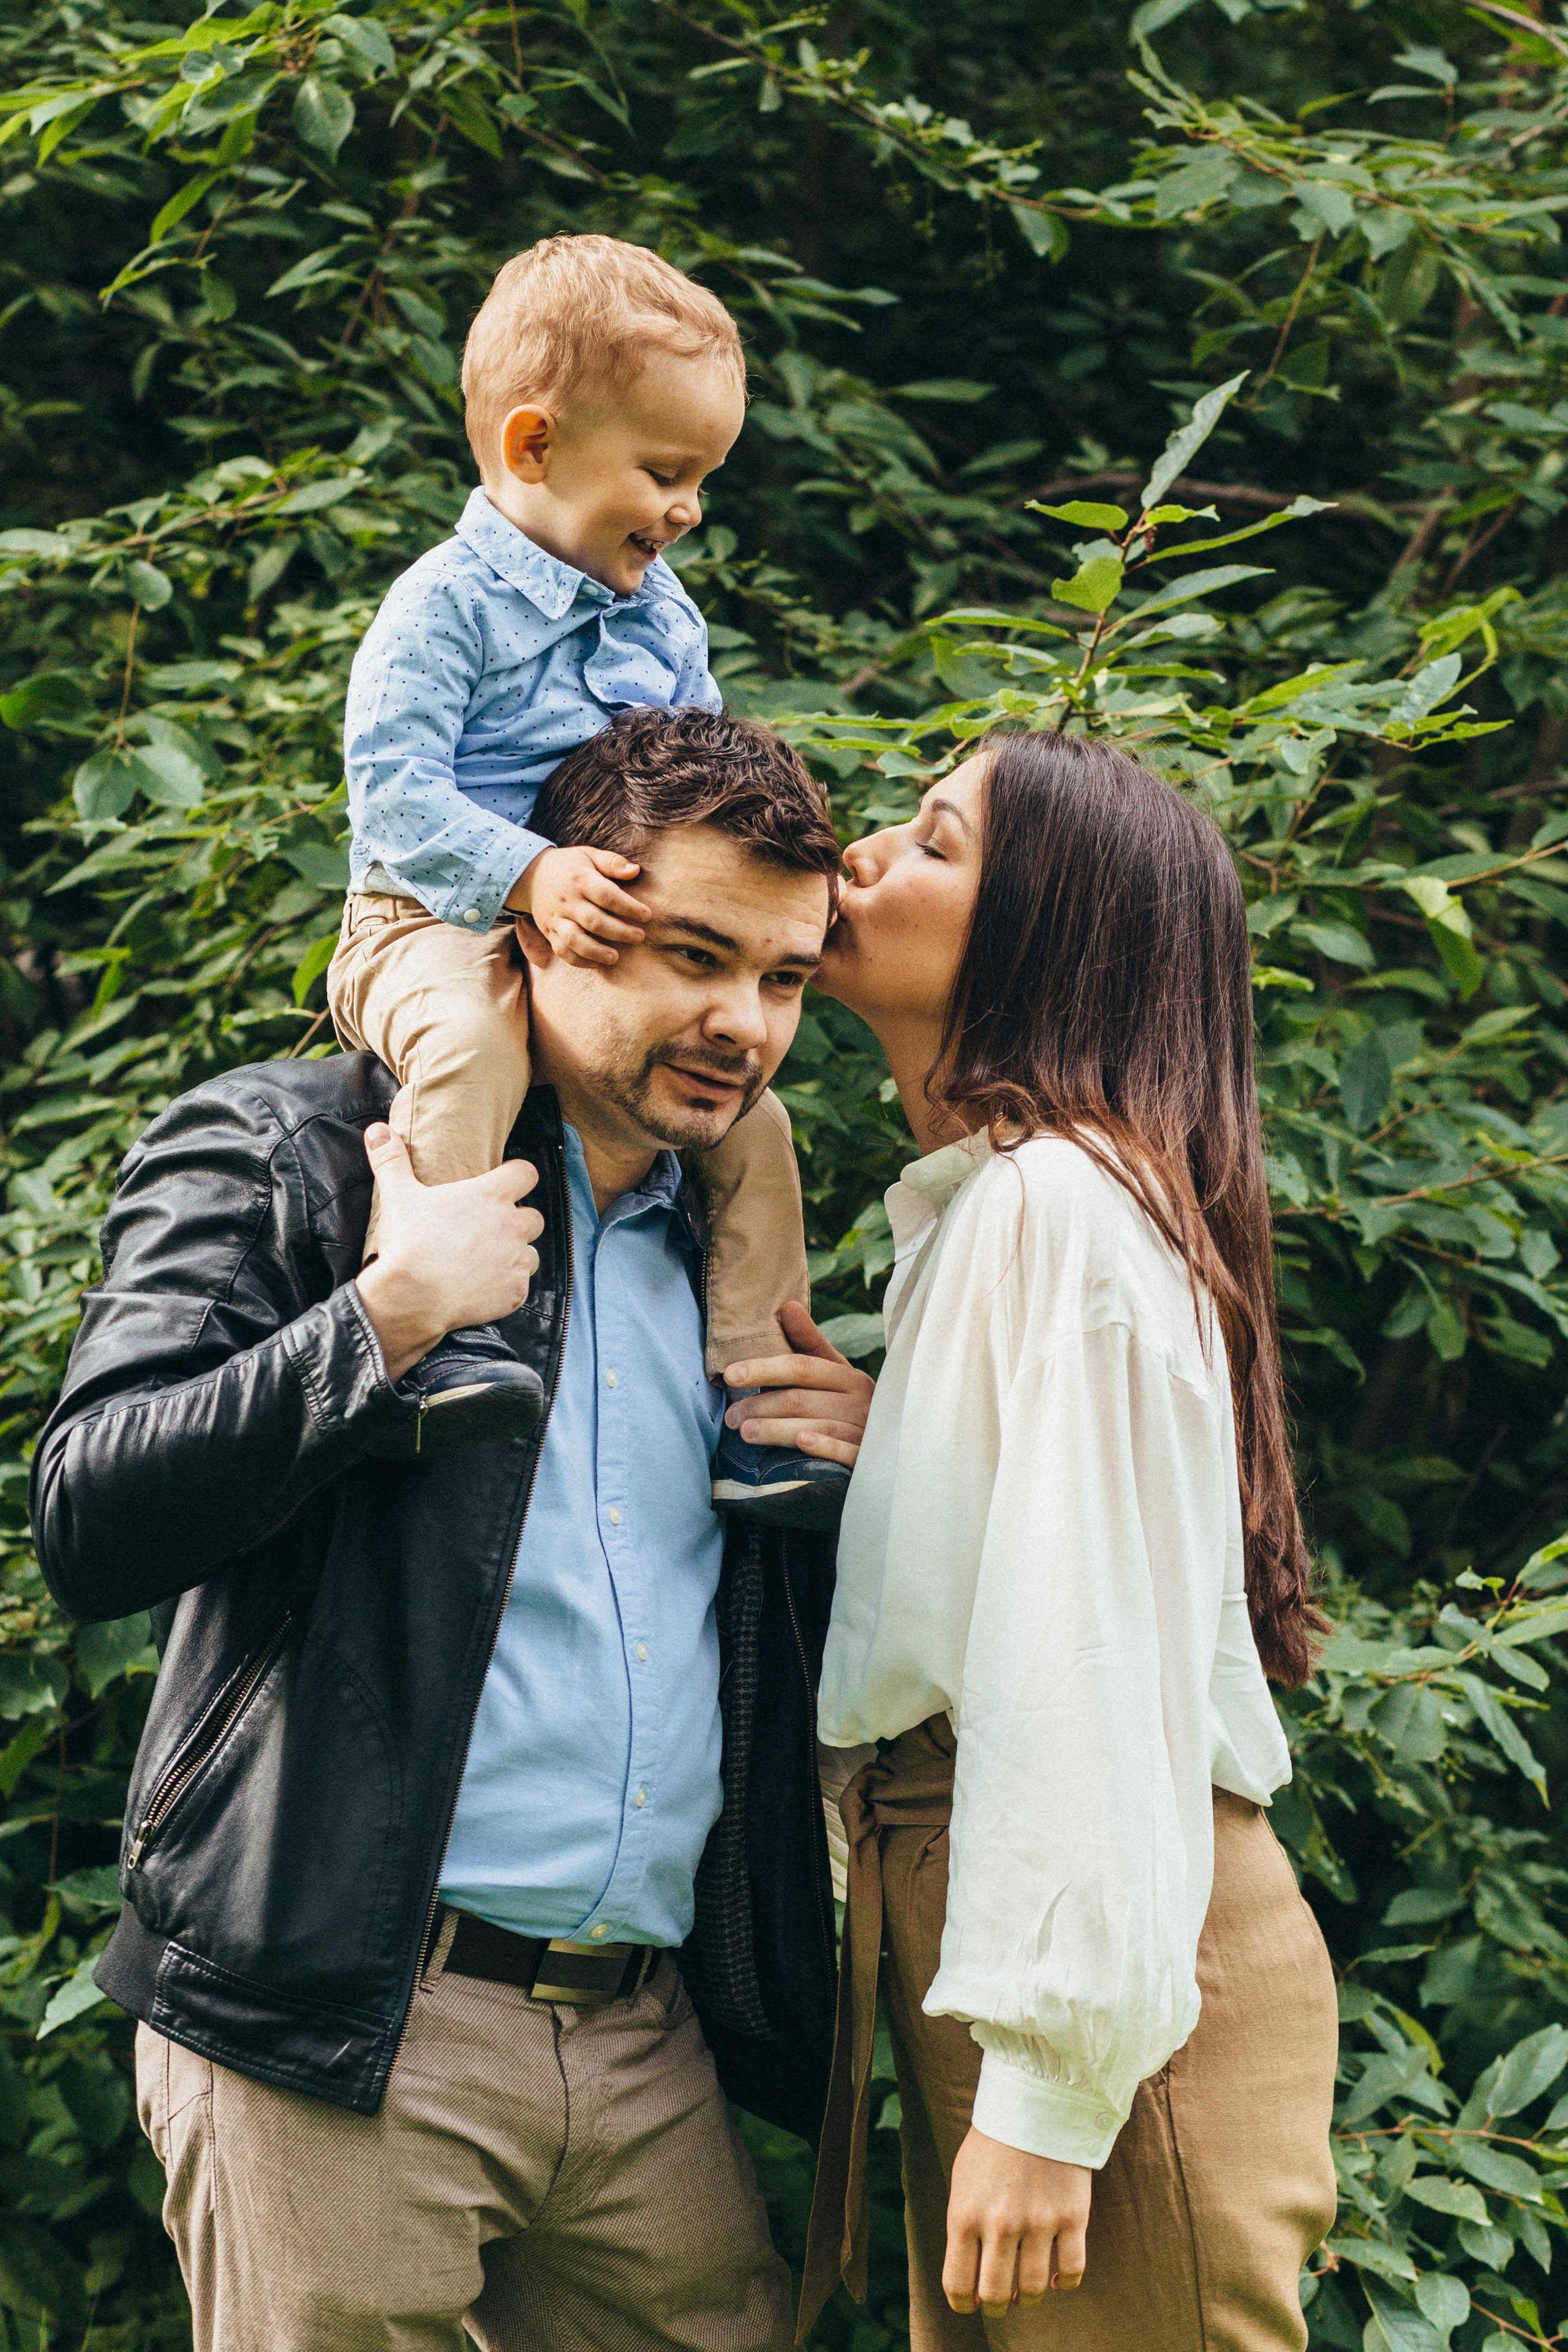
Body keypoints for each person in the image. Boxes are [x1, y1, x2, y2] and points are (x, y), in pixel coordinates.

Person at [30, 710, 872, 2352]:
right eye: (690, 953)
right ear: (536, 922)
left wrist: (844, 1485)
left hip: (643, 2039)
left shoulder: (729, 1250)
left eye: (781, 977)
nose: (740, 1022)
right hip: (345, 2018)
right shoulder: (292, 1150)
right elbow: (90, 1514)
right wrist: (389, 1318)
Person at [800, 731, 1339, 2350]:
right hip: (1023, 1931)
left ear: (1047, 937)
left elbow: (1083, 1662)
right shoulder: (1002, 1211)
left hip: (1093, 1972)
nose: (866, 853)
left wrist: (1047, 2090)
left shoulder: (1058, 1212)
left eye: (938, 844)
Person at [331, 230, 843, 1529]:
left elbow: (700, 772)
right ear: (532, 448)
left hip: (597, 928)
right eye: (664, 473)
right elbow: (392, 794)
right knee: (468, 1052)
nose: (684, 511)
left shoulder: (663, 616)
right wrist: (528, 873)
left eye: (702, 481)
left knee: (756, 1126)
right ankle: (442, 1324)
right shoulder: (442, 609)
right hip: (430, 919)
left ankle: (757, 1403)